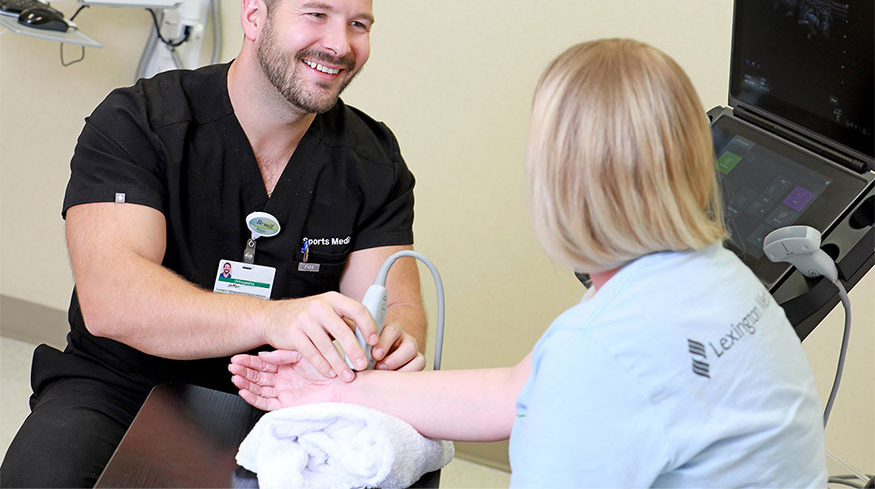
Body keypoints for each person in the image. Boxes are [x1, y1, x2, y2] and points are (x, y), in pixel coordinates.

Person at [229, 39, 828, 487]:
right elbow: (514, 392)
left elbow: (571, 379)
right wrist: (344, 391)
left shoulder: (602, 348)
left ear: (562, 181)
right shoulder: (718, 279)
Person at [1, 0, 427, 488]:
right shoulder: (141, 123)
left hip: (285, 405)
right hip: (121, 386)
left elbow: (395, 306)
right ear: (255, 15)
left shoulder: (371, 161)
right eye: (317, 15)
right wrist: (275, 318)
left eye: (359, 24)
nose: (340, 44)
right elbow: (113, 302)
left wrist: (396, 340)